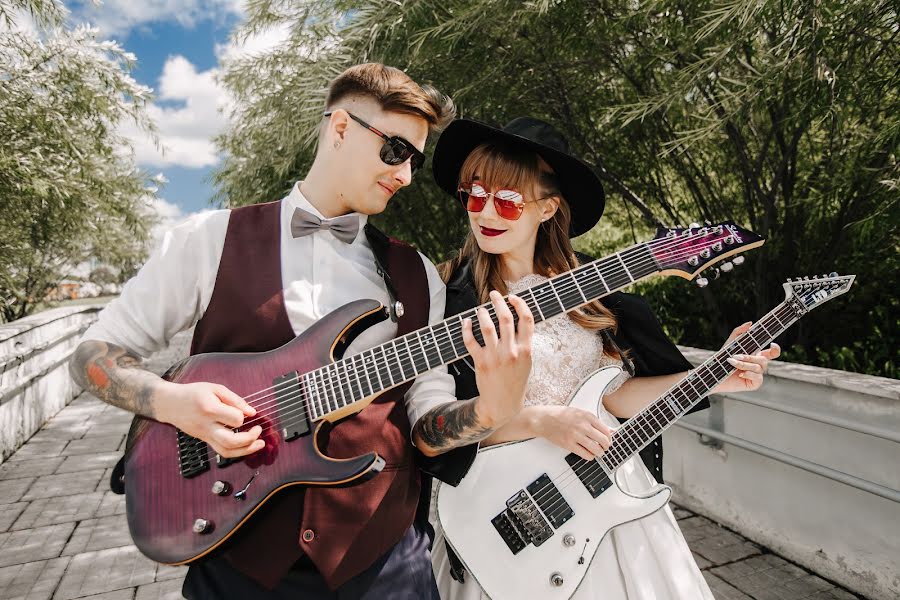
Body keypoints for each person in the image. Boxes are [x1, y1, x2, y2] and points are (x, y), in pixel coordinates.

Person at [68, 64, 535, 600]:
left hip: (384, 561)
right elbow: (92, 357)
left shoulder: (418, 274)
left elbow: (425, 422)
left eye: (416, 161)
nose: (405, 176)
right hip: (238, 563)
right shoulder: (208, 240)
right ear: (340, 129)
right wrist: (171, 402)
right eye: (395, 151)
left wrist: (490, 411)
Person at [426, 116, 781, 599]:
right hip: (501, 512)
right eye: (475, 195)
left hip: (603, 494)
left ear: (548, 209)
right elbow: (437, 424)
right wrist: (538, 422)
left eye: (507, 200)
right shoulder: (447, 298)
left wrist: (718, 375)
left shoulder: (595, 295)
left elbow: (613, 400)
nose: (485, 212)